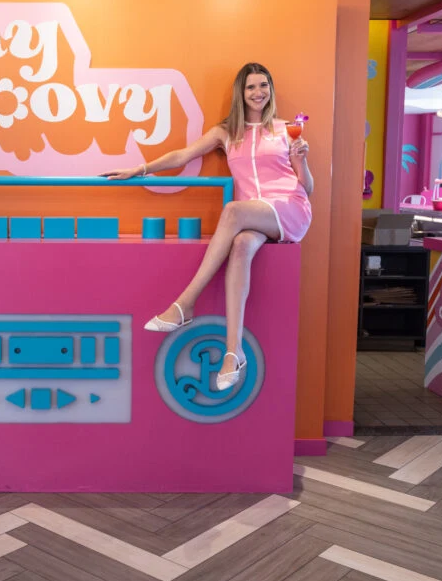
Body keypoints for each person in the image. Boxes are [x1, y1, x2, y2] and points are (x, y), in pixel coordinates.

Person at [102, 62, 313, 390]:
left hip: (288, 207)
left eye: (263, 86)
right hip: (251, 214)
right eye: (251, 87)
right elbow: (182, 156)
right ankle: (234, 352)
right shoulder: (226, 132)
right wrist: (140, 169)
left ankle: (186, 303)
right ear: (240, 94)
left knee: (231, 212)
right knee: (240, 246)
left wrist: (302, 160)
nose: (258, 93)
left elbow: (307, 187)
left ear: (270, 90)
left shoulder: (287, 129)